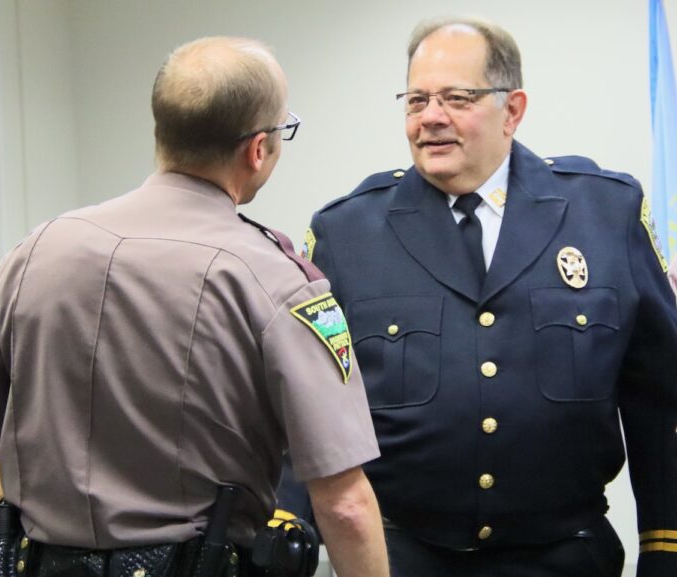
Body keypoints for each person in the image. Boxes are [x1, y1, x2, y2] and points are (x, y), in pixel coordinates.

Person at [0, 36, 389, 577]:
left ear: (162, 131)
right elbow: (345, 505)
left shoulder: (38, 251)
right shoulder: (276, 282)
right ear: (258, 149)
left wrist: (71, 451)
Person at [284, 17, 677, 577]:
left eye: (456, 98)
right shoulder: (347, 234)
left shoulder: (605, 214)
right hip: (400, 556)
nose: (431, 117)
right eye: (416, 100)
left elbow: (659, 398)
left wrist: (664, 544)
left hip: (563, 555)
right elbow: (309, 407)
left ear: (512, 110)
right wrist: (285, 536)